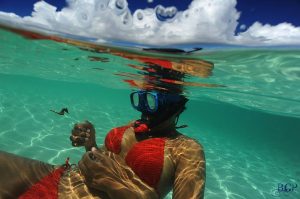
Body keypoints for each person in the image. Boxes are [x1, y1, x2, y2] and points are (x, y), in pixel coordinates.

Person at [69, 89, 206, 199]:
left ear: (176, 108)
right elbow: (105, 165)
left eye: (153, 103)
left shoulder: (187, 148)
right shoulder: (133, 125)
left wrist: (115, 183)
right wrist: (91, 144)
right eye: (141, 99)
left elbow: (108, 174)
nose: (144, 109)